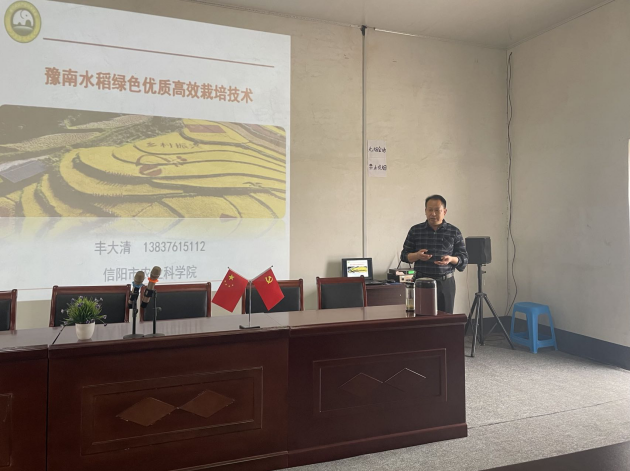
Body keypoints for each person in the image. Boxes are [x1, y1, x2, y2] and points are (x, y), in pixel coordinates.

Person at [400, 195, 468, 314]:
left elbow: (464, 259)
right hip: (421, 282)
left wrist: (451, 259)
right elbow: (404, 255)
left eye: (437, 210)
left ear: (444, 211)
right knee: (421, 318)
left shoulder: (454, 231)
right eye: (430, 210)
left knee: (445, 319)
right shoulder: (415, 230)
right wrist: (417, 256)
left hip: (445, 283)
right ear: (425, 211)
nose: (433, 213)